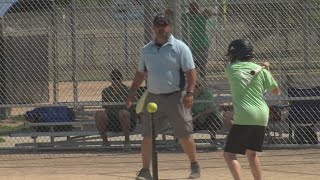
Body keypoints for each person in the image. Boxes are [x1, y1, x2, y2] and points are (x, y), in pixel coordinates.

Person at [126, 14, 201, 179]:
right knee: (147, 135)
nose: (162, 28)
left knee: (184, 134)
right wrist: (132, 93)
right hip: (154, 98)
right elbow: (140, 73)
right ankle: (145, 170)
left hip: (177, 97)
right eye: (159, 25)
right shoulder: (147, 50)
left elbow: (191, 73)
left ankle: (194, 165)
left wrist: (189, 93)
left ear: (170, 27)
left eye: (165, 25)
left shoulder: (180, 47)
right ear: (153, 28)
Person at [223, 39, 281, 180]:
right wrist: (267, 70)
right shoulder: (261, 71)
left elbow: (239, 68)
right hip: (261, 114)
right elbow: (276, 92)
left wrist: (263, 69)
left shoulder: (230, 69)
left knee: (229, 154)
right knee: (252, 153)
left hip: (245, 113)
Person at [94, 69, 137, 148]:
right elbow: (105, 107)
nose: (116, 81)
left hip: (127, 119)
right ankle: (105, 142)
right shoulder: (106, 91)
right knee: (99, 114)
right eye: (113, 79)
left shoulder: (128, 90)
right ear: (111, 80)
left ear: (121, 79)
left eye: (118, 79)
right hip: (112, 119)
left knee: (123, 113)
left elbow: (132, 107)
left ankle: (127, 142)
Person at [182, 1, 215, 80]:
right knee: (188, 64)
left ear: (198, 8)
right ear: (189, 8)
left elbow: (211, 12)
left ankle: (203, 78)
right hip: (187, 45)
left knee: (202, 64)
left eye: (195, 7)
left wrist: (204, 12)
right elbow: (171, 14)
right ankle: (189, 78)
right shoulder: (184, 16)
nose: (193, 9)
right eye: (191, 7)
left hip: (201, 44)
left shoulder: (201, 16)